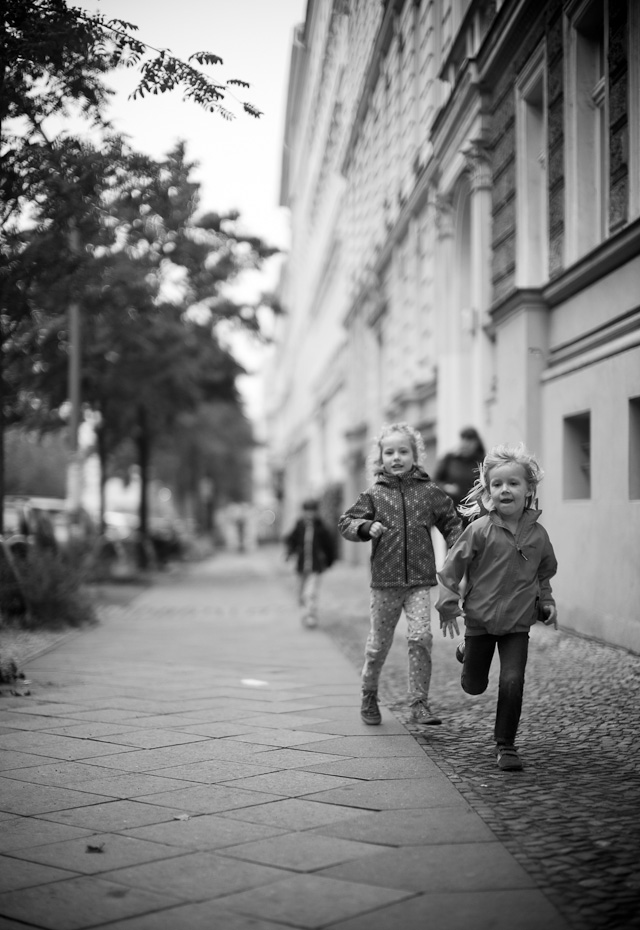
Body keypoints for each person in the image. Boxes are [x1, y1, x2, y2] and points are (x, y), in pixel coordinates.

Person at [436, 442, 558, 772]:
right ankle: (467, 651)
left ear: (528, 489)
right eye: (497, 484)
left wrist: (546, 602)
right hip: (479, 621)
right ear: (488, 491)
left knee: (512, 681)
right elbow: (451, 569)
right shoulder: (478, 530)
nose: (505, 490)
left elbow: (544, 573)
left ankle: (505, 745)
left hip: (518, 623)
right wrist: (448, 602)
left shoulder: (539, 536)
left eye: (513, 483)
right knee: (473, 686)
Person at [338, 422, 463, 727]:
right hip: (384, 585)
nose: (396, 457)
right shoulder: (374, 494)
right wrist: (366, 527)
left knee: (421, 637)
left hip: (420, 581)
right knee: (379, 644)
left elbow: (452, 524)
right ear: (380, 457)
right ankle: (369, 693)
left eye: (403, 451)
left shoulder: (429, 492)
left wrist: (458, 554)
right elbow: (346, 523)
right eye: (389, 451)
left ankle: (419, 702)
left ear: (415, 454)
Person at [284, 499, 336, 628]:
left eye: (312, 512)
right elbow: (291, 540)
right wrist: (290, 552)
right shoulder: (300, 525)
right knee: (300, 592)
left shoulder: (321, 527)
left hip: (316, 565)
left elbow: (329, 546)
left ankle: (310, 616)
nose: (309, 515)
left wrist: (329, 561)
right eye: (307, 512)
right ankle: (305, 611)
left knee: (310, 592)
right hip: (302, 565)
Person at [435, 426, 486, 525]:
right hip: (452, 513)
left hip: (475, 514)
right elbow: (434, 482)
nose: (466, 444)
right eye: (463, 439)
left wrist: (481, 493)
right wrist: (445, 487)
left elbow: (490, 484)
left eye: (470, 440)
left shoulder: (483, 461)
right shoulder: (450, 459)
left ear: (477, 443)